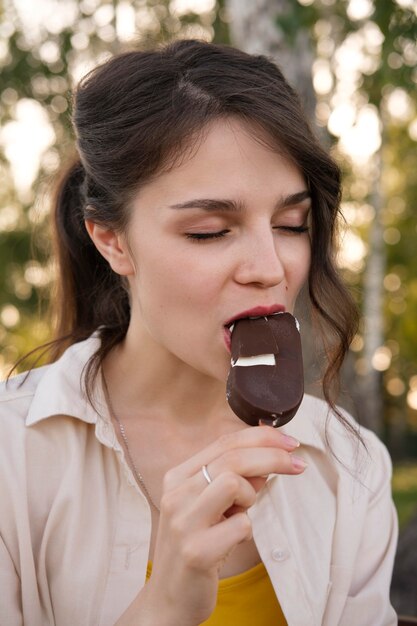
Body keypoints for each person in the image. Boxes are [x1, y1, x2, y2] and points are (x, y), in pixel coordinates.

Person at [0, 39, 397, 626]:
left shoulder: (351, 466)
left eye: (291, 223)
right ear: (112, 240)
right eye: (210, 230)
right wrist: (162, 610)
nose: (270, 266)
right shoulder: (14, 458)